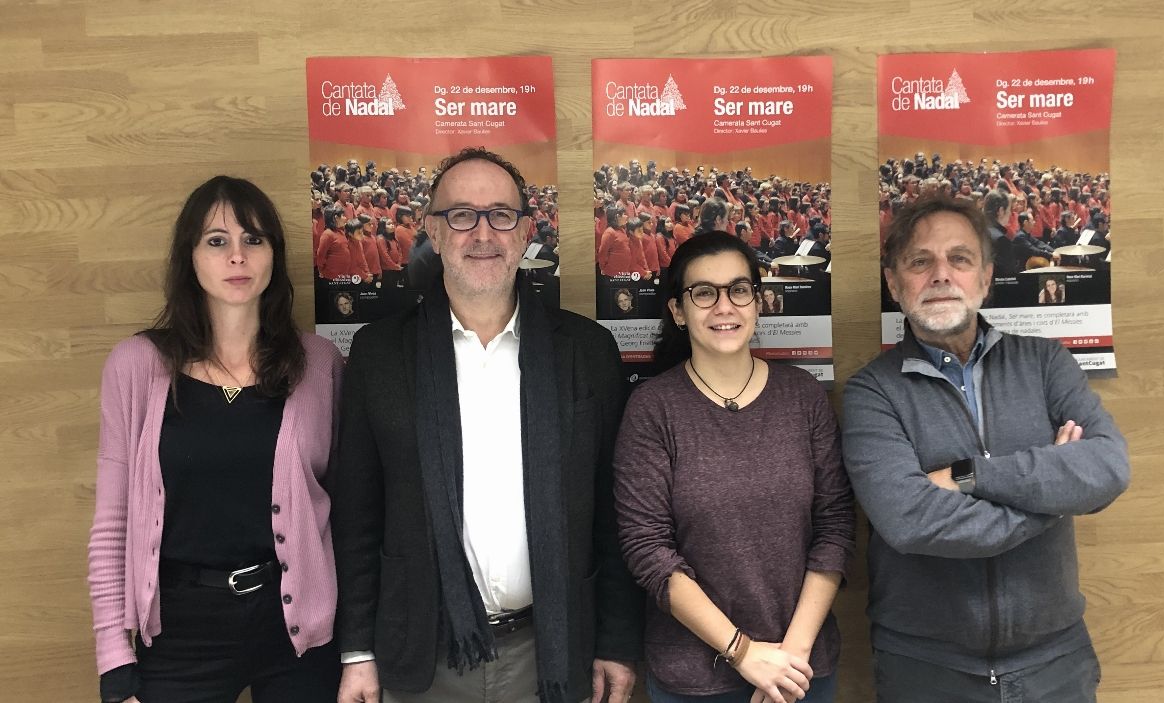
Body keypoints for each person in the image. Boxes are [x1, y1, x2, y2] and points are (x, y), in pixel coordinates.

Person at [332, 147, 644, 703]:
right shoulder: (378, 354)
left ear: (525, 232)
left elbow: (614, 510)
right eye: (461, 215)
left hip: (554, 647)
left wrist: (616, 641)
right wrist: (357, 651)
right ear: (431, 228)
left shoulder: (587, 350)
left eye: (501, 214)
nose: (483, 233)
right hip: (423, 651)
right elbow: (358, 514)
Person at [841, 196, 1130, 703]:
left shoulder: (1045, 363)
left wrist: (968, 475)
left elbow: (1107, 467)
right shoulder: (871, 392)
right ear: (893, 282)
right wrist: (1051, 504)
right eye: (919, 260)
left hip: (1055, 660)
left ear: (986, 277)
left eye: (960, 258)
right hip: (926, 666)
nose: (940, 274)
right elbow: (909, 520)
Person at [88, 176, 344, 703]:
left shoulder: (319, 365)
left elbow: (348, 510)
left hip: (297, 629)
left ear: (274, 255)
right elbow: (113, 523)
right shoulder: (137, 366)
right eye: (217, 240)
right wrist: (114, 660)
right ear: (191, 257)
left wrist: (359, 646)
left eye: (254, 239)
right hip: (182, 631)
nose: (237, 257)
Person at [614, 232, 855, 703]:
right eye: (703, 293)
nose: (724, 306)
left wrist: (789, 658)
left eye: (739, 290)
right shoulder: (652, 408)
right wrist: (745, 654)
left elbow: (836, 529)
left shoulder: (802, 396)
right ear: (678, 312)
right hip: (693, 679)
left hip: (801, 672)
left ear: (757, 302)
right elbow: (648, 551)